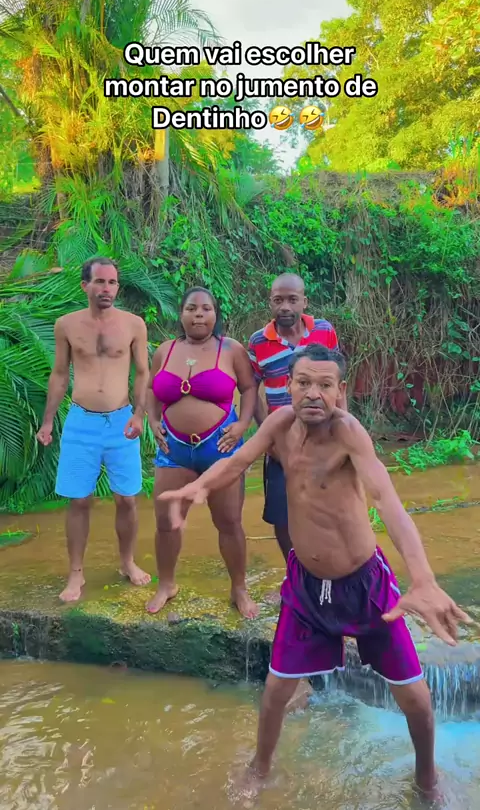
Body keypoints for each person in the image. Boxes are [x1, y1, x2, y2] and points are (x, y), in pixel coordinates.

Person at [159, 344, 471, 799]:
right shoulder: (279, 425)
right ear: (288, 386)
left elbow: (387, 500)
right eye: (303, 382)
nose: (313, 393)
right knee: (275, 690)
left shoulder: (349, 434)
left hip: (364, 585)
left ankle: (427, 778)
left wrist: (422, 578)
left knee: (415, 697)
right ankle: (259, 769)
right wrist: (201, 486)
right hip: (305, 585)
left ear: (340, 391)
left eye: (325, 385)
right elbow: (238, 460)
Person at [37, 257, 151, 602]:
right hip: (81, 422)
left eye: (112, 282)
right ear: (85, 285)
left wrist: (139, 415)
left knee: (127, 499)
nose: (107, 289)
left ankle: (127, 562)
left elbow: (142, 372)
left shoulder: (133, 325)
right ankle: (76, 573)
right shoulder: (67, 325)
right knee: (79, 500)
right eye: (100, 281)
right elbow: (60, 374)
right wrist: (47, 421)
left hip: (121, 421)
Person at [145, 286, 258, 619]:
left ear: (215, 314)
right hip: (173, 449)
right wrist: (153, 420)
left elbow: (249, 388)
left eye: (206, 308)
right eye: (191, 308)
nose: (198, 314)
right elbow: (151, 389)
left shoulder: (231, 349)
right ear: (180, 313)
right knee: (166, 522)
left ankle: (239, 588)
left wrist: (243, 425)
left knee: (229, 522)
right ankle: (166, 584)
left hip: (220, 448)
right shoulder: (164, 351)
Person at [248, 273, 341, 562]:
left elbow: (337, 380)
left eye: (292, 299)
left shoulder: (324, 331)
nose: (285, 307)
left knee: (327, 506)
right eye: (278, 300)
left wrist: (342, 427)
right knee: (281, 514)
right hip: (282, 444)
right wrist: (268, 435)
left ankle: (325, 567)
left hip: (323, 437)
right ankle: (295, 569)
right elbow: (251, 390)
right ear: (270, 303)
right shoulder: (258, 341)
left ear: (304, 301)